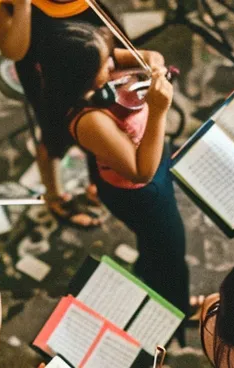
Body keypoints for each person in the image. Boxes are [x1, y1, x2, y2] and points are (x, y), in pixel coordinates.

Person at [37, 22, 187, 311]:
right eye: (105, 64)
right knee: (171, 252)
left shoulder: (93, 58)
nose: (113, 62)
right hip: (141, 190)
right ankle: (174, 306)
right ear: (82, 78)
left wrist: (153, 66)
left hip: (153, 160)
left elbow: (149, 55)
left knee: (155, 244)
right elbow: (141, 171)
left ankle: (149, 265)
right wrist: (157, 111)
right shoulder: (90, 121)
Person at [0, 0, 107, 227]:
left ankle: (100, 180)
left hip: (92, 43)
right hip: (47, 70)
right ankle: (54, 196)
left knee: (102, 113)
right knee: (54, 130)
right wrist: (22, 6)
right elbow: (13, 51)